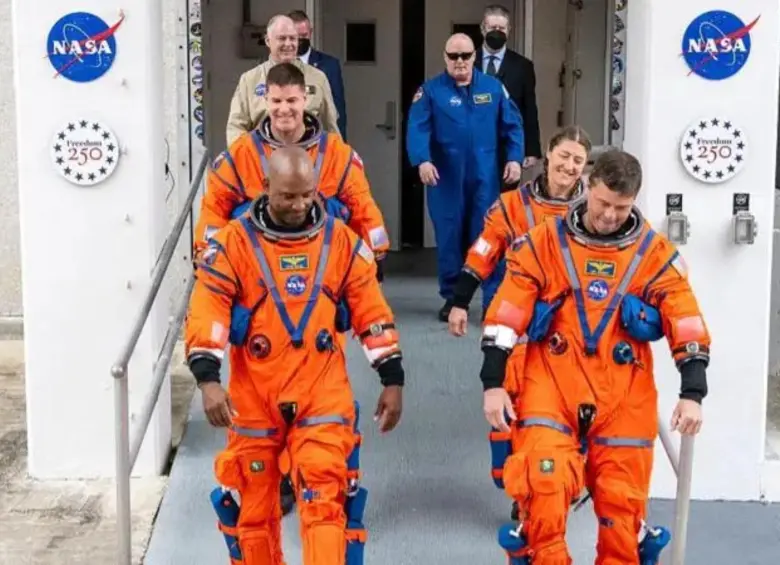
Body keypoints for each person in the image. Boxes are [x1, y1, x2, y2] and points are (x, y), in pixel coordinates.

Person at [478, 149, 710, 564]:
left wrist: (693, 391)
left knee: (622, 515)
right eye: (603, 202)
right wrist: (494, 384)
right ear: (587, 188)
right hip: (552, 386)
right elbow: (507, 313)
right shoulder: (543, 243)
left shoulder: (652, 255)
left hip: (623, 394)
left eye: (621, 207)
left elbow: (685, 318)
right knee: (543, 494)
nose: (608, 215)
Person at [186, 146, 404, 565]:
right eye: (288, 196)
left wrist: (392, 378)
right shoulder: (231, 245)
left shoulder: (342, 242)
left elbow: (370, 311)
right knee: (253, 512)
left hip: (321, 392)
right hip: (254, 396)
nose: (300, 204)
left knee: (325, 501)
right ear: (265, 187)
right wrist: (208, 378)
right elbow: (208, 308)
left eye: (307, 194)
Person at [196, 62, 390, 518]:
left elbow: (363, 206)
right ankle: (274, 476)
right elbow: (214, 209)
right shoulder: (242, 154)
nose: (284, 110)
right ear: (265, 101)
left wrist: (372, 257)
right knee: (261, 394)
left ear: (308, 101)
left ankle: (320, 471)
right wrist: (210, 256)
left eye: (292, 101)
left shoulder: (337, 155)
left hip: (321, 280)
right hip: (258, 286)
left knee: (321, 380)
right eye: (276, 101)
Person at [406, 33, 525, 322]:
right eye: (453, 56)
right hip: (445, 180)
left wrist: (514, 158)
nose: (460, 62)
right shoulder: (430, 91)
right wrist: (422, 161)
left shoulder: (494, 88)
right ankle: (452, 297)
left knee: (487, 237)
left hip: (484, 178)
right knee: (449, 238)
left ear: (475, 56)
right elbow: (417, 128)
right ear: (445, 57)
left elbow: (513, 125)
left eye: (466, 56)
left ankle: (492, 298)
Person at [448, 125, 590, 330]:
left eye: (578, 161)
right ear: (549, 152)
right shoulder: (513, 204)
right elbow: (483, 252)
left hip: (570, 312)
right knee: (499, 358)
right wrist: (460, 302)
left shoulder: (592, 209)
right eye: (564, 155)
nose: (569, 166)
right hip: (518, 302)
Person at [225, 14, 340, 147]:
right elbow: (236, 127)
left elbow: (330, 128)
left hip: (307, 161)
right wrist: (244, 159)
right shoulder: (250, 80)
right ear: (268, 41)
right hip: (263, 160)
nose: (288, 44)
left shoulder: (318, 78)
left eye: (293, 38)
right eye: (282, 38)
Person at [477, 4, 542, 188]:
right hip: (473, 147)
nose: (497, 32)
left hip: (507, 149)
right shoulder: (468, 61)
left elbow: (529, 108)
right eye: (492, 28)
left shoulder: (523, 66)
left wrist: (531, 149)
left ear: (509, 30)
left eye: (501, 28)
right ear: (483, 28)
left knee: (504, 204)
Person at [288, 10, 348, 139]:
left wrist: (340, 144)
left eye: (304, 35)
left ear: (310, 32)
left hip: (318, 140)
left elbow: (337, 110)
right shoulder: (278, 65)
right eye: (296, 36)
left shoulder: (329, 65)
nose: (301, 40)